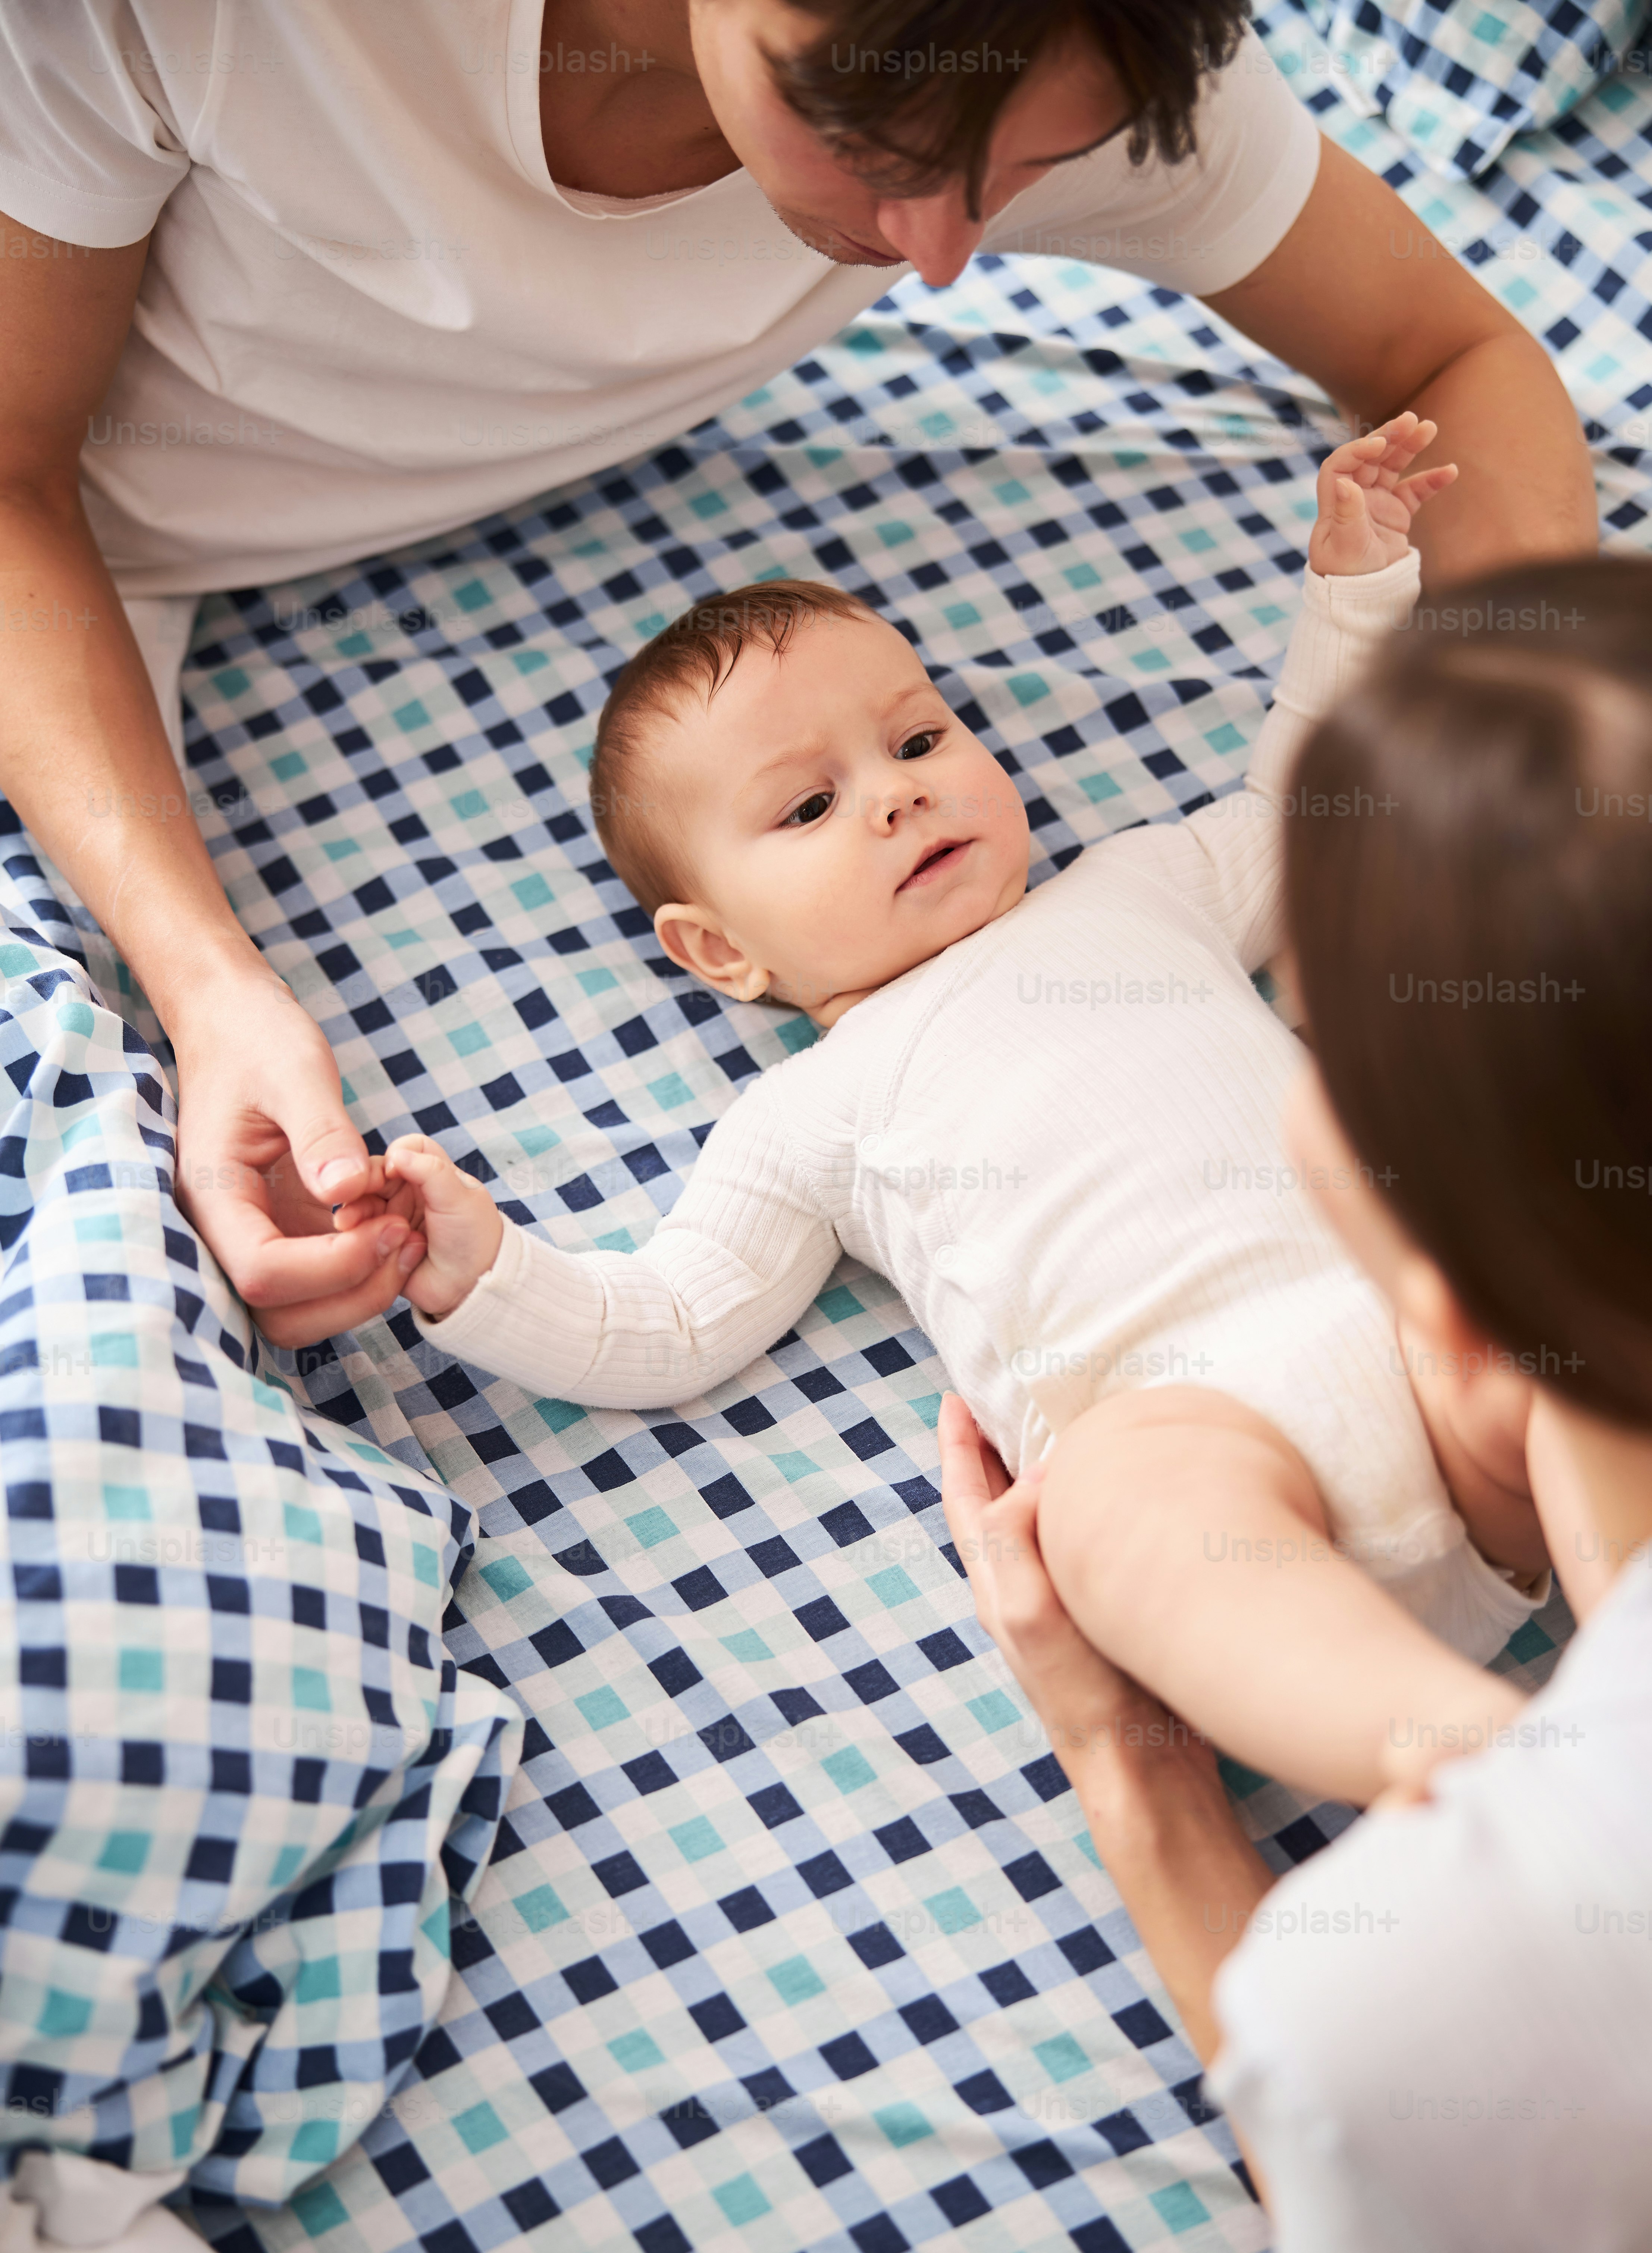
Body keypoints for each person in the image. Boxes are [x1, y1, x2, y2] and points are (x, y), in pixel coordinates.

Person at [0, 0, 1592, 1346]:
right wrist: (215, 994)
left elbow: (1452, 358)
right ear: (712, 950)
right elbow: (13, 479)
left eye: (1020, 175)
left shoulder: (1102, 46)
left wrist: (1496, 826)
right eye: (876, 148)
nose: (942, 255)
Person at [317, 417, 1553, 1806]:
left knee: (1555, 1275)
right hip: (1195, 1442)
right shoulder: (809, 1111)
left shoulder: (1141, 885)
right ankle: (1481, 1774)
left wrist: (1357, 587)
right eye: (810, 808)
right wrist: (481, 1269)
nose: (898, 793)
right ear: (722, 951)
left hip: (1423, 1338)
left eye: (918, 736)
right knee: (1108, 1506)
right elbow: (670, 1317)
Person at [938, 553, 1652, 2253]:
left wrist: (1138, 1780)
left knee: (1122, 1494)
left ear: (1434, 1248)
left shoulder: (1424, 1995)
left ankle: (1463, 1738)